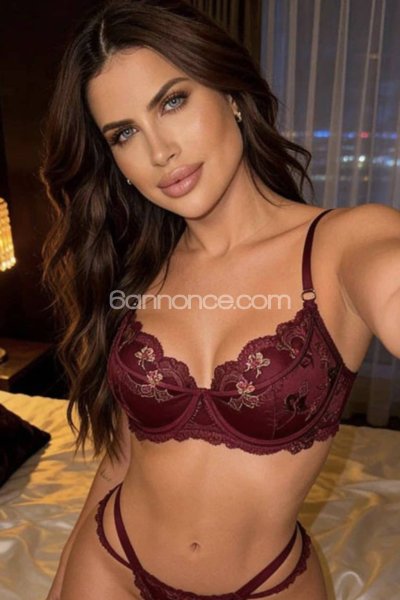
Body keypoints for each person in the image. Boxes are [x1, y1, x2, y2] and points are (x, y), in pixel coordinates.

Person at [40, 1, 400, 599]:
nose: (159, 151)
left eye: (172, 102)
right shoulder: (139, 271)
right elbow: (125, 457)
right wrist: (61, 581)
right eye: (124, 134)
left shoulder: (343, 246)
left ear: (231, 94)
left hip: (267, 584)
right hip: (111, 564)